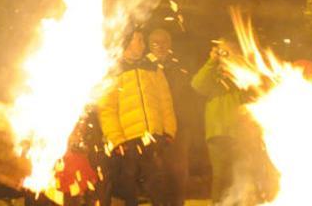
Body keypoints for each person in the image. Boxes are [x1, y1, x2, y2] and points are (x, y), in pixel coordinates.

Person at [191, 39, 276, 205]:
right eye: (222, 51)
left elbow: (261, 92)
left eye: (229, 51)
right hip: (219, 133)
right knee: (221, 177)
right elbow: (197, 85)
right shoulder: (213, 74)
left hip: (243, 134)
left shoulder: (244, 74)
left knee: (244, 175)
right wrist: (213, 61)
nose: (226, 55)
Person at [97, 29, 176, 206]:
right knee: (128, 191)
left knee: (158, 188)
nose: (143, 44)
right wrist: (117, 140)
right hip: (127, 142)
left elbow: (165, 101)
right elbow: (106, 109)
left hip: (153, 137)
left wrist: (169, 131)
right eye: (138, 40)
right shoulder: (113, 72)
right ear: (126, 43)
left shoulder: (152, 68)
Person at [146, 28, 194, 206]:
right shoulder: (144, 67)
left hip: (179, 128)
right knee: (156, 174)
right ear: (149, 45)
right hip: (155, 128)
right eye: (155, 43)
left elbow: (188, 95)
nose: (160, 46)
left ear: (170, 44)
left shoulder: (179, 66)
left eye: (164, 42)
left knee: (178, 173)